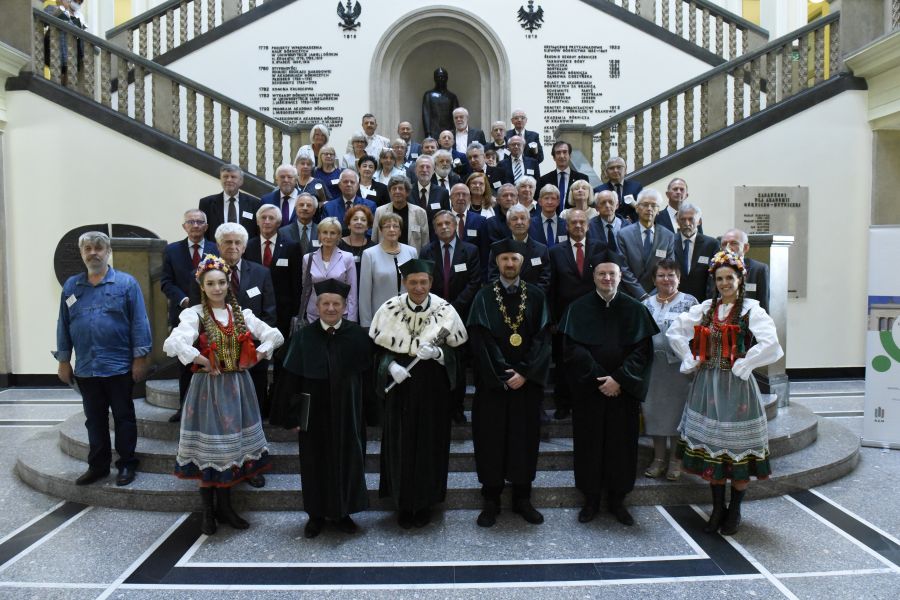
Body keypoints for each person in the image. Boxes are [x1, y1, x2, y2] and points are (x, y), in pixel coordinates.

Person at [163, 255, 283, 535]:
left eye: (221, 282)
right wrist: (202, 360)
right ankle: (208, 511)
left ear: (229, 284)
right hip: (208, 389)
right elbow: (174, 342)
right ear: (202, 287)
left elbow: (274, 335)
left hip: (238, 387)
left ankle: (226, 508)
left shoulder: (241, 314)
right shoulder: (194, 314)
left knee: (231, 450)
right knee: (210, 451)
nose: (217, 288)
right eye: (210, 283)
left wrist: (258, 355)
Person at [667, 251, 783, 535]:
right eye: (719, 279)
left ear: (740, 279)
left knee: (739, 453)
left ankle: (735, 509)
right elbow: (675, 331)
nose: (724, 283)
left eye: (729, 277)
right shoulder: (706, 308)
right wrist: (690, 357)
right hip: (707, 387)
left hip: (737, 388)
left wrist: (745, 363)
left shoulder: (751, 310)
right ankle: (718, 508)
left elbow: (771, 343)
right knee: (712, 452)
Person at [559, 250, 658, 526]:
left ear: (619, 276)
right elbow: (572, 350)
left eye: (612, 274)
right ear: (594, 277)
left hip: (622, 393)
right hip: (590, 392)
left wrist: (620, 379)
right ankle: (590, 499)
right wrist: (600, 379)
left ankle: (618, 500)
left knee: (622, 446)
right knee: (589, 444)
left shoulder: (635, 309)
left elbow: (642, 352)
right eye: (602, 273)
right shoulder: (577, 309)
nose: (607, 278)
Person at [370, 259, 468, 528]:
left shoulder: (445, 311)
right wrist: (390, 366)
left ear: (431, 283)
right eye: (413, 282)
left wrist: (438, 354)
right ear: (404, 283)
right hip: (400, 387)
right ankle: (403, 503)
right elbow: (378, 351)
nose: (418, 287)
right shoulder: (389, 309)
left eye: (423, 282)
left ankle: (425, 502)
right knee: (400, 444)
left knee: (430, 443)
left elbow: (458, 353)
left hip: (432, 388)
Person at [55, 232, 152, 487]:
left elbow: (140, 322)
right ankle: (97, 466)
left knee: (123, 417)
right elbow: (63, 325)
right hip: (87, 368)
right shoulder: (72, 287)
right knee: (94, 420)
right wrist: (64, 360)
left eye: (99, 248)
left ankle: (127, 464)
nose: (93, 253)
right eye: (88, 248)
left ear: (108, 251)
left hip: (119, 366)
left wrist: (139, 358)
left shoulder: (126, 284)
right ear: (82, 253)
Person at [276, 279, 371, 538]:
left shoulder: (358, 336)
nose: (330, 308)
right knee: (313, 462)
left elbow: (368, 379)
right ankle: (315, 515)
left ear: (345, 307)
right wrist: (292, 415)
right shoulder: (304, 337)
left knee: (348, 460)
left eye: (336, 304)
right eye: (325, 303)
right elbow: (290, 380)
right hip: (313, 413)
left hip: (347, 412)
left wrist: (371, 413)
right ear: (317, 306)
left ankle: (345, 512)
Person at [467, 239, 552, 527]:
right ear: (497, 263)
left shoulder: (537, 296)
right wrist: (503, 374)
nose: (510, 264)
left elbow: (542, 340)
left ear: (522, 261)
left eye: (514, 259)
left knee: (524, 440)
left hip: (526, 386)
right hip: (493, 386)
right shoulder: (483, 296)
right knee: (490, 440)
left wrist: (525, 373)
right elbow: (480, 339)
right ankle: (491, 499)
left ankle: (522, 498)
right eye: (504, 259)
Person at [421, 210, 483, 423]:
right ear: (435, 228)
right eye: (440, 224)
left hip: (461, 315)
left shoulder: (471, 250)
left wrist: (453, 308)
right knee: (437, 362)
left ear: (456, 225)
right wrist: (440, 308)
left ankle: (457, 407)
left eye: (448, 223)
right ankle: (438, 406)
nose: (444, 227)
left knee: (458, 362)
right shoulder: (427, 251)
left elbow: (475, 282)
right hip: (434, 316)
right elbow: (424, 281)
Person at [640, 259, 698, 481]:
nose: (666, 279)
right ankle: (658, 459)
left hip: (680, 370)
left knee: (676, 416)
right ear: (654, 279)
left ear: (679, 278)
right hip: (653, 368)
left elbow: (699, 334)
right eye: (661, 275)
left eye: (671, 275)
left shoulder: (690, 302)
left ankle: (676, 461)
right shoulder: (646, 303)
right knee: (654, 414)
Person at [161, 210, 218, 422]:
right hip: (183, 314)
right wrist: (184, 300)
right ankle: (184, 407)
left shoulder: (216, 248)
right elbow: (166, 282)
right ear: (184, 226)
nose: (195, 225)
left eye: (200, 222)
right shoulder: (171, 250)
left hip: (211, 315)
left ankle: (210, 408)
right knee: (185, 363)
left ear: (206, 226)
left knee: (210, 360)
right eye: (191, 222)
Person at [547, 209, 597, 420]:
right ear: (566, 226)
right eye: (573, 222)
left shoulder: (600, 249)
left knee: (590, 362)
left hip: (593, 318)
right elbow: (550, 287)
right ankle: (563, 404)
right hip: (564, 319)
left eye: (581, 222)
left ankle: (586, 403)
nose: (577, 226)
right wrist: (551, 318)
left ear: (587, 226)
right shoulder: (555, 251)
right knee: (563, 365)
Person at [358, 213, 418, 327]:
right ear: (380, 231)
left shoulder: (412, 252)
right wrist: (366, 323)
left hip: (409, 315)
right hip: (382, 316)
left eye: (395, 226)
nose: (391, 229)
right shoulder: (369, 254)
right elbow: (365, 292)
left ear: (400, 231)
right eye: (387, 226)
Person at [616, 189, 675, 297]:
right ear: (637, 208)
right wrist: (642, 295)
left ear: (658, 210)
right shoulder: (623, 234)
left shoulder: (668, 236)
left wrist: (653, 296)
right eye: (645, 205)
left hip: (658, 295)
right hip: (630, 295)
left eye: (653, 205)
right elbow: (623, 268)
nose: (649, 209)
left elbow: (669, 268)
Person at [302, 217, 358, 323]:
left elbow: (352, 293)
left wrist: (352, 320)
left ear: (339, 236)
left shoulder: (347, 258)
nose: (328, 237)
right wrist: (301, 313)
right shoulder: (308, 258)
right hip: (314, 315)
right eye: (325, 232)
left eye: (332, 233)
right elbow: (306, 289)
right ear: (319, 235)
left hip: (340, 314)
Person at [199, 164, 260, 241]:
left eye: (233, 177)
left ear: (241, 181)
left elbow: (258, 231)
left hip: (246, 250)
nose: (229, 180)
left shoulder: (254, 203)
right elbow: (203, 231)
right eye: (225, 176)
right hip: (216, 250)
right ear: (220, 179)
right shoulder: (207, 203)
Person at [714, 228, 770, 312]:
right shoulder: (715, 268)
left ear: (746, 247)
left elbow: (763, 304)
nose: (728, 248)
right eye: (724, 244)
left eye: (734, 243)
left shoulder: (759, 269)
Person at [371, 175, 429, 254]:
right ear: (390, 192)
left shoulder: (420, 212)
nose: (397, 191)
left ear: (407, 192)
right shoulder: (380, 211)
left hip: (411, 259)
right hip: (385, 257)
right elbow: (374, 239)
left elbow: (425, 243)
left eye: (401, 188)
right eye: (394, 189)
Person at [673, 203, 717, 302]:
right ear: (677, 221)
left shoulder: (712, 244)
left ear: (699, 221)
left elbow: (713, 278)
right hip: (674, 301)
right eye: (683, 219)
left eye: (691, 219)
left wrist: (709, 303)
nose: (687, 223)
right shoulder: (669, 241)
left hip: (702, 302)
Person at [536, 141, 588, 207]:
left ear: (570, 156)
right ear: (554, 157)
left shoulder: (582, 178)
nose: (562, 156)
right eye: (558, 153)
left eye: (565, 152)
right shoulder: (544, 180)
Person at [593, 156, 642, 223]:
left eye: (619, 167)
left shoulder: (636, 187)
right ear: (606, 172)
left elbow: (642, 208)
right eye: (611, 168)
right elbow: (599, 211)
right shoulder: (599, 190)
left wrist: (632, 219)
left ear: (625, 170)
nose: (615, 170)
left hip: (632, 225)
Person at [339, 204, 376, 290]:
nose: (359, 222)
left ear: (367, 226)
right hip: (342, 291)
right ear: (349, 224)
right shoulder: (338, 245)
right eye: (355, 219)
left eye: (363, 220)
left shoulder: (373, 247)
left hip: (366, 290)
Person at [422, 67, 460, 138]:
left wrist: (455, 132)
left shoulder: (452, 97)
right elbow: (426, 115)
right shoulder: (429, 95)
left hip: (449, 133)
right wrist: (428, 133)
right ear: (434, 78)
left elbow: (456, 116)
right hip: (433, 133)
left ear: (446, 78)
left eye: (443, 77)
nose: (440, 79)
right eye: (438, 77)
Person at [529, 184, 567, 249]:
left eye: (553, 198)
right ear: (540, 201)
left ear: (558, 202)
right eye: (546, 198)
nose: (549, 202)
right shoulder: (530, 223)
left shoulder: (566, 224)